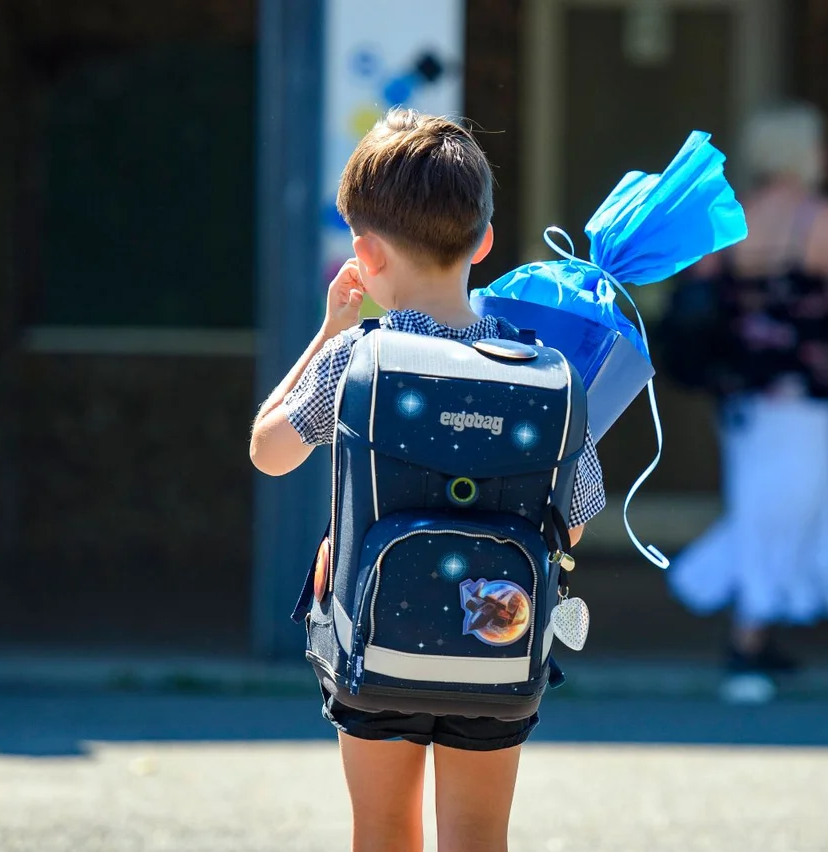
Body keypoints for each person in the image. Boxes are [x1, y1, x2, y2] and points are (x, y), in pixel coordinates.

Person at [250, 109, 605, 852]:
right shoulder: (545, 374)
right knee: (478, 834)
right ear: (485, 240)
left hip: (375, 646)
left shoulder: (357, 358)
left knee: (382, 830)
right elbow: (574, 518)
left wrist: (327, 332)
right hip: (497, 643)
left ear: (365, 254)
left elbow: (268, 450)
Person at [666, 102, 828, 704]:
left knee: (767, 505)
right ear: (803, 153)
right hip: (801, 399)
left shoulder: (734, 217)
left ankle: (759, 633)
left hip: (739, 400)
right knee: (784, 512)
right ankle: (740, 636)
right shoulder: (827, 221)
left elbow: (697, 296)